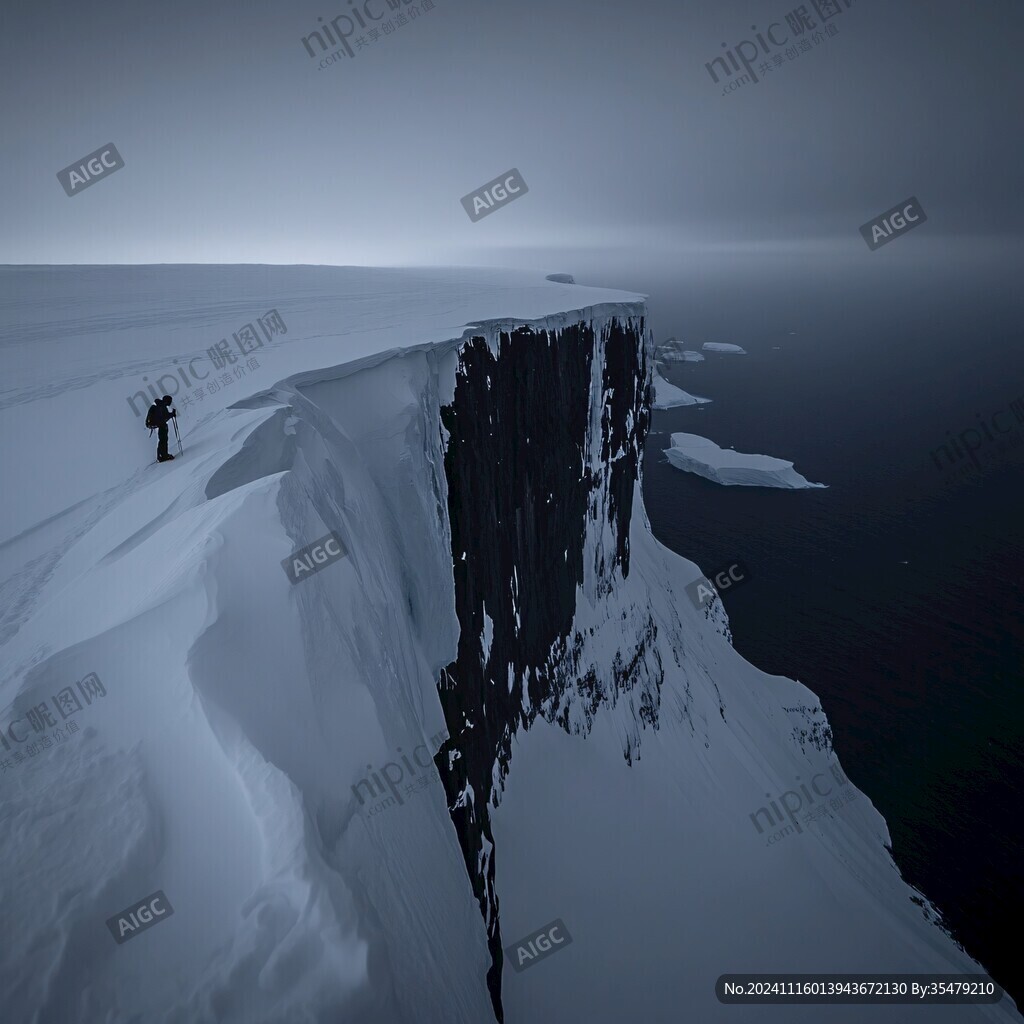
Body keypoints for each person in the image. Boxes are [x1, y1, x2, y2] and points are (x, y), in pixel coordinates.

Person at [145, 395, 177, 462]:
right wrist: (172, 414)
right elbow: (165, 417)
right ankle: (163, 456)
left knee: (162, 440)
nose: (170, 403)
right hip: (161, 425)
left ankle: (160, 456)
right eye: (170, 401)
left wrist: (171, 414)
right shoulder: (162, 406)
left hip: (159, 424)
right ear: (167, 401)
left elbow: (164, 416)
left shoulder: (160, 405)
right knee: (163, 440)